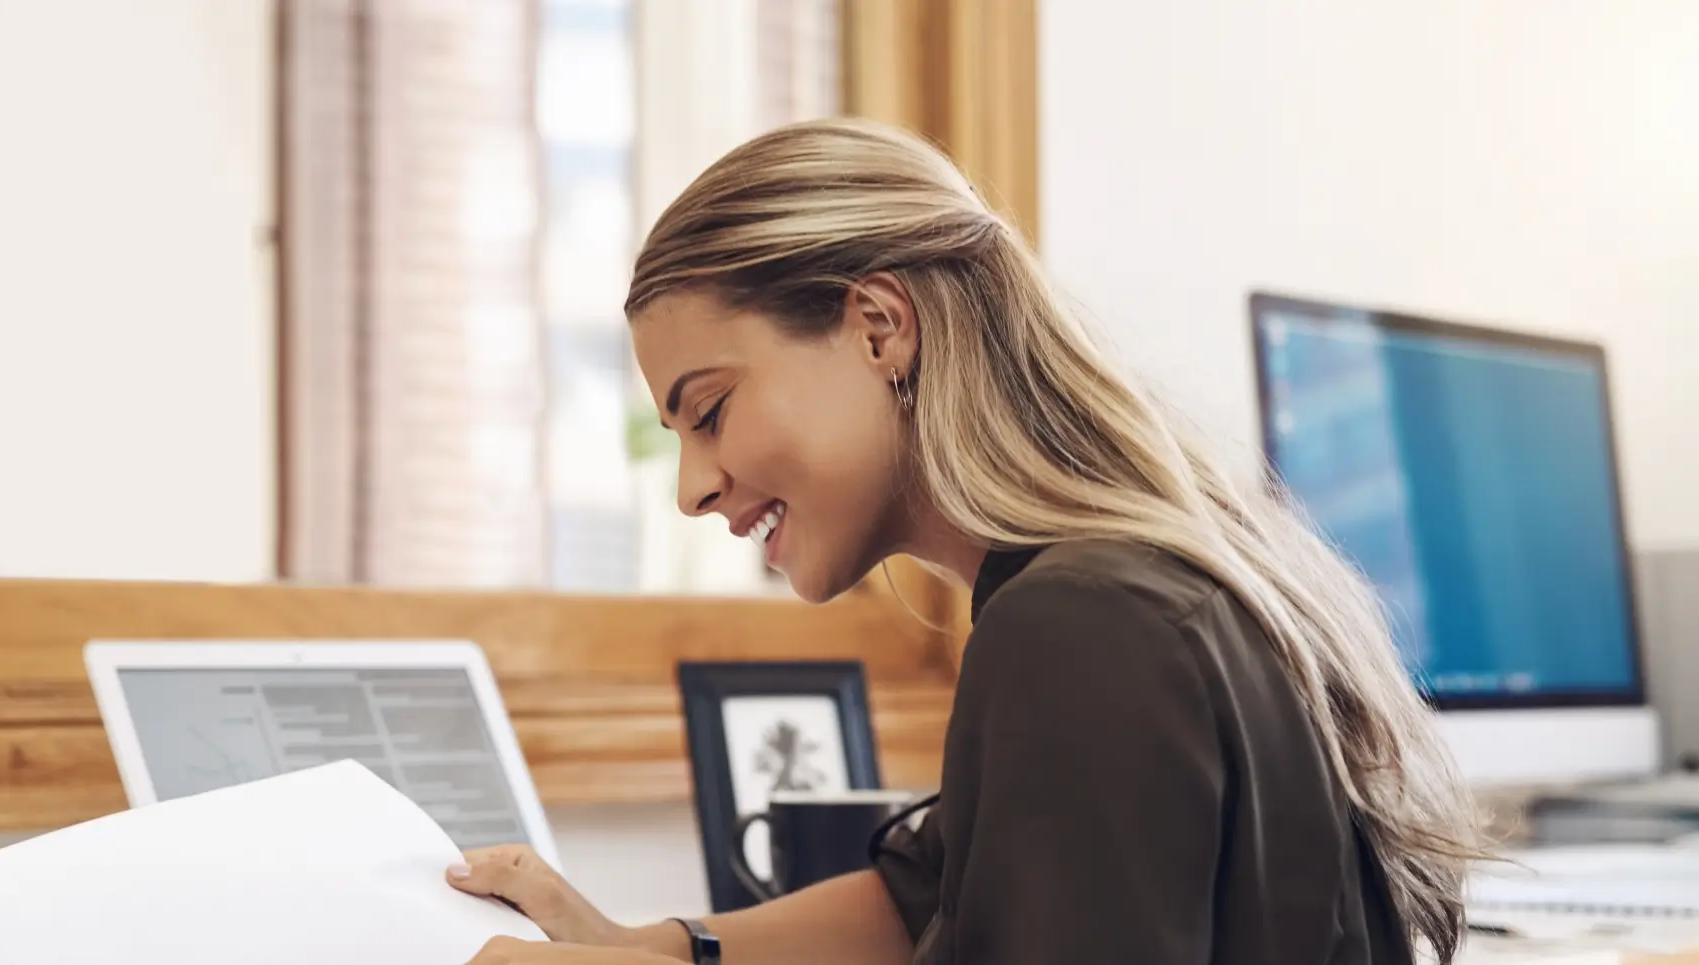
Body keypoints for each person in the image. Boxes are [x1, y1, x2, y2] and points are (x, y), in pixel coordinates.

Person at [447, 118, 1486, 965]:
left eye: (709, 411)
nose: (692, 488)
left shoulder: (1082, 625)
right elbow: (934, 894)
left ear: (878, 326)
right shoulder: (1122, 589)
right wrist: (661, 946)